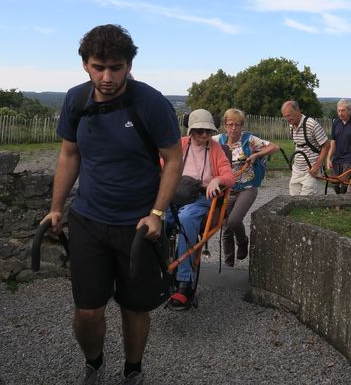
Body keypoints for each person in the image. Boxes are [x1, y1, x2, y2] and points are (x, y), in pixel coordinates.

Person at [41, 24, 183, 385]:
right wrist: (56, 207)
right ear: (85, 65)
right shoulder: (76, 101)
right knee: (88, 310)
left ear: (129, 65)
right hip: (89, 220)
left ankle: (133, 370)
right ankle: (94, 363)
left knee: (135, 308)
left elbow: (173, 159)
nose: (106, 77)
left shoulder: (150, 103)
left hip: (139, 226)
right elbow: (69, 154)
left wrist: (156, 214)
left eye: (115, 68)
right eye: (98, 67)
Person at [165, 109, 235, 309]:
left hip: (200, 198)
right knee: (158, 219)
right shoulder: (180, 144)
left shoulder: (215, 149)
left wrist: (217, 179)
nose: (204, 135)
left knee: (186, 217)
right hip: (175, 194)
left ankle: (184, 282)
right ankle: (159, 264)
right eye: (199, 131)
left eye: (208, 131)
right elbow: (160, 166)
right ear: (191, 130)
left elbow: (229, 176)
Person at [213, 108, 280, 267]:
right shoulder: (217, 140)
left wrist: (257, 155)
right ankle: (229, 264)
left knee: (234, 221)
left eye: (237, 125)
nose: (233, 129)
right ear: (225, 125)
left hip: (247, 187)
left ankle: (243, 242)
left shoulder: (249, 140)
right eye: (230, 125)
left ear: (242, 126)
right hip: (226, 188)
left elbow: (274, 147)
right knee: (226, 227)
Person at [281, 100, 329, 196]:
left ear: (298, 111)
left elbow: (326, 145)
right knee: (293, 200)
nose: (287, 119)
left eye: (289, 115)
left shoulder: (311, 124)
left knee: (306, 201)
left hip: (311, 171)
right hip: (297, 170)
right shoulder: (292, 126)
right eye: (285, 116)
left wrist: (317, 165)